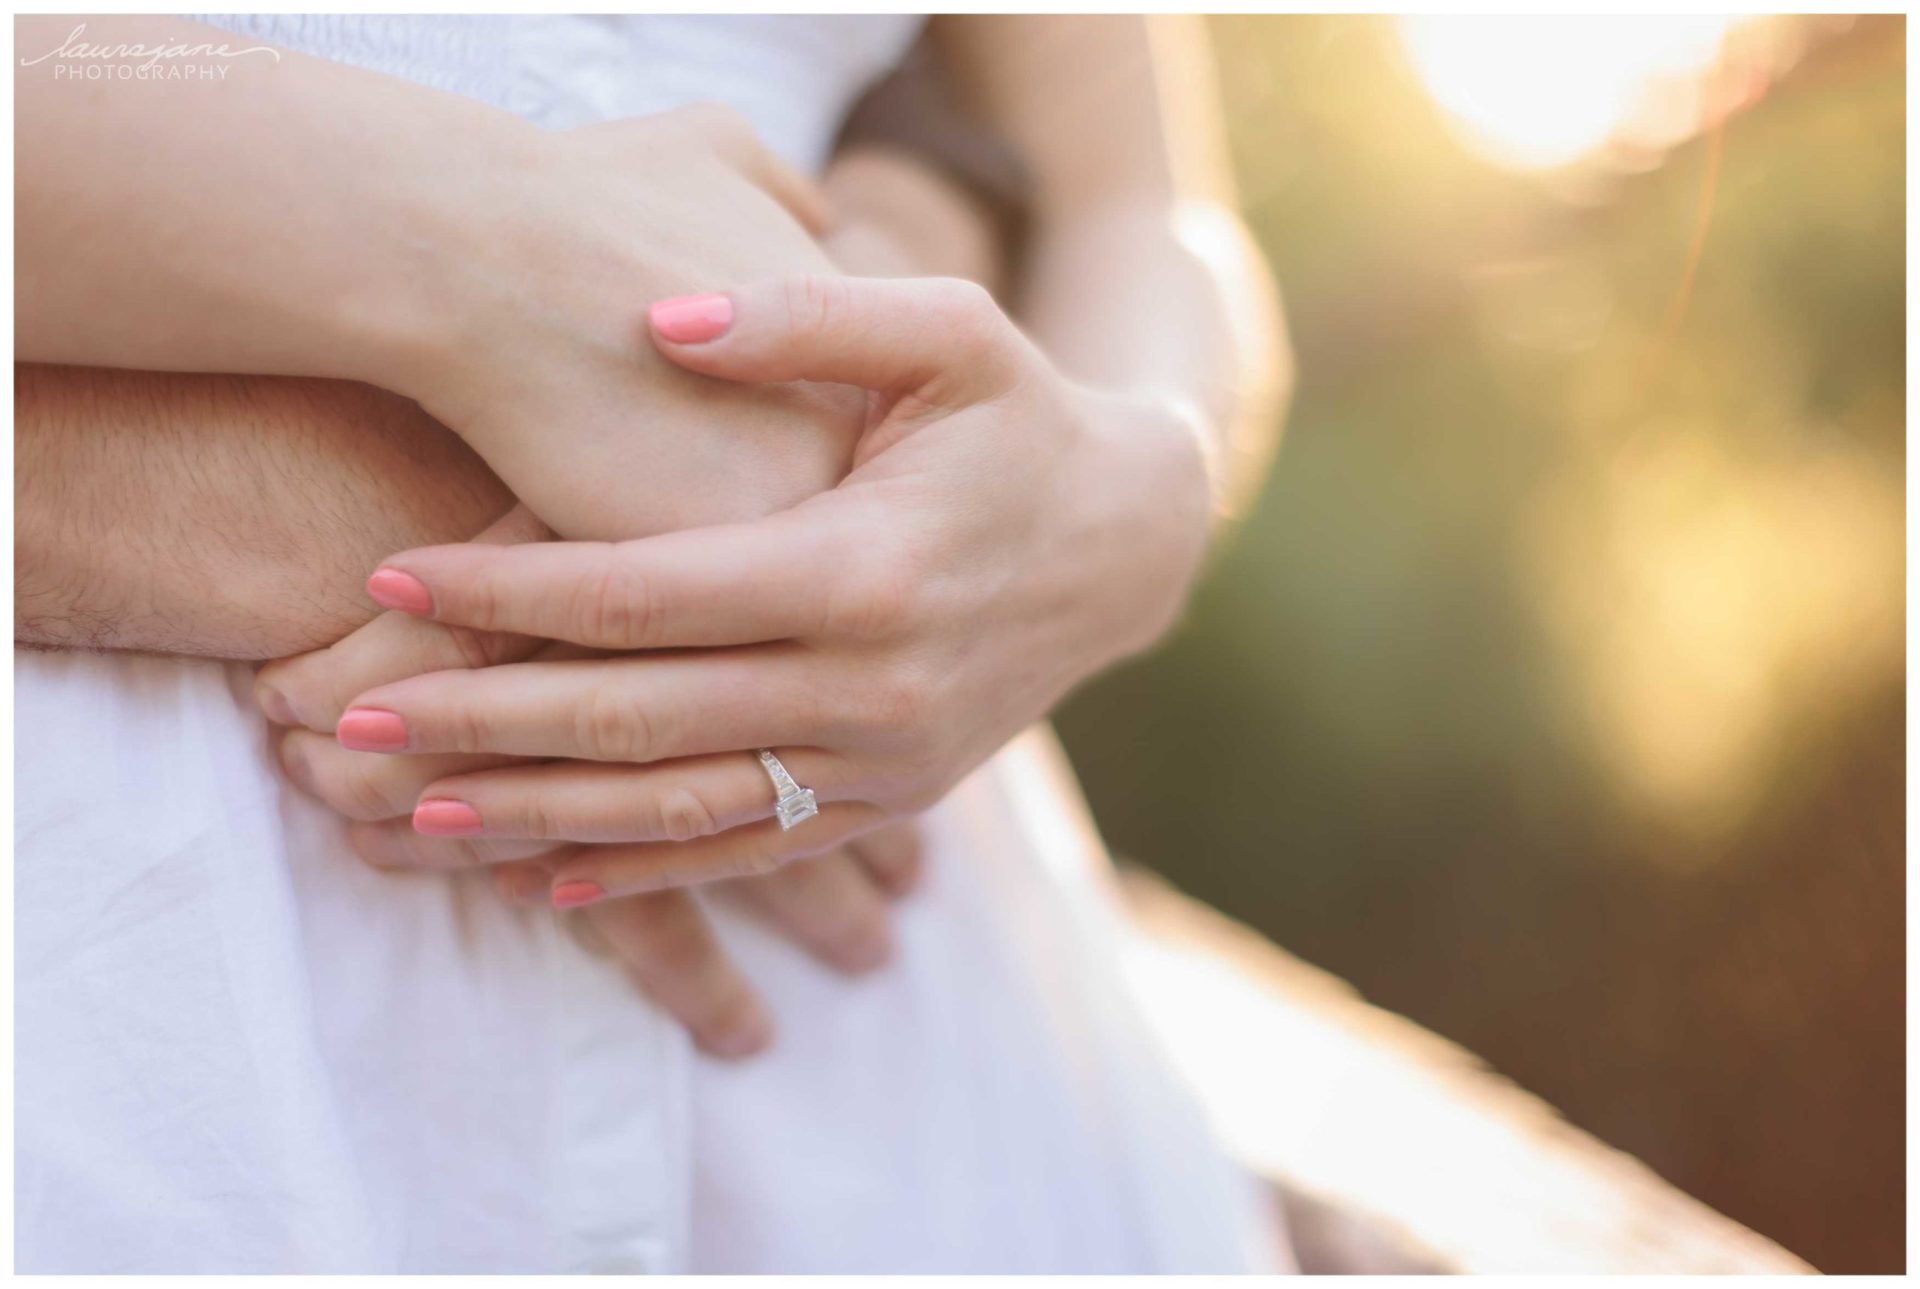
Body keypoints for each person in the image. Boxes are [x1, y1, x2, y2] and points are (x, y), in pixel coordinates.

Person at [14, 14, 1290, 1272]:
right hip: (112, 999)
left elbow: (1139, 208)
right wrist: (473, 245)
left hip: (884, 1037)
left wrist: (1126, 492)